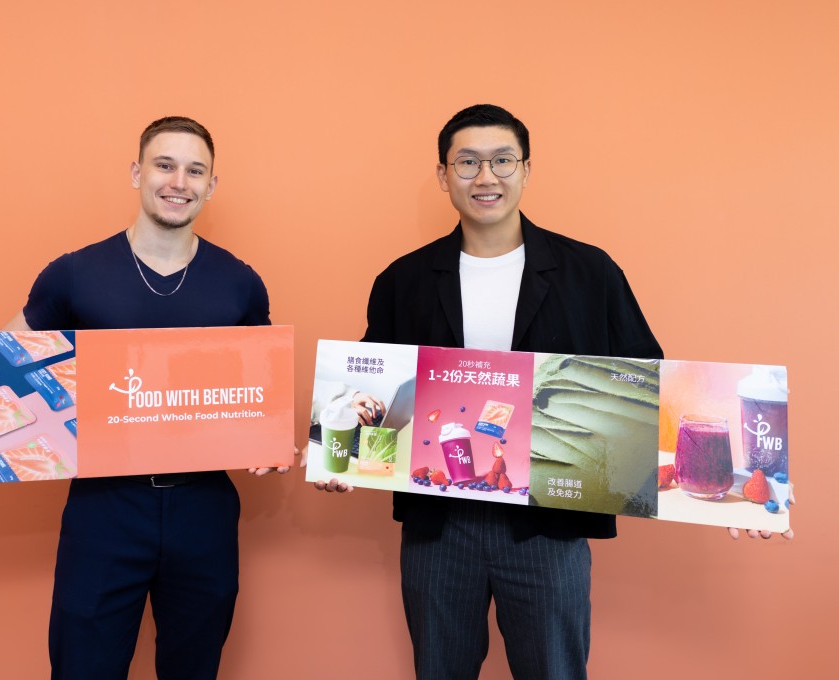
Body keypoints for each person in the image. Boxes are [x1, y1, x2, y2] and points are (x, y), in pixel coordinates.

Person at [313, 104, 790, 680]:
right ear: (443, 174)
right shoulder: (403, 280)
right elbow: (380, 388)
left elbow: (648, 390)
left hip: (549, 525)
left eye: (501, 160)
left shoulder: (590, 272)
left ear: (526, 169)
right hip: (439, 525)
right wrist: (340, 458)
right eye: (467, 162)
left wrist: (735, 499)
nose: (485, 177)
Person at [4, 116, 287, 680]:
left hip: (203, 507)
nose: (178, 181)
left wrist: (272, 438)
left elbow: (265, 391)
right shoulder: (75, 274)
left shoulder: (240, 283)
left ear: (211, 185)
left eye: (195, 170)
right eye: (164, 165)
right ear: (137, 173)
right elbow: (7, 368)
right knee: (84, 667)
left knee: (194, 668)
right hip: (105, 508)